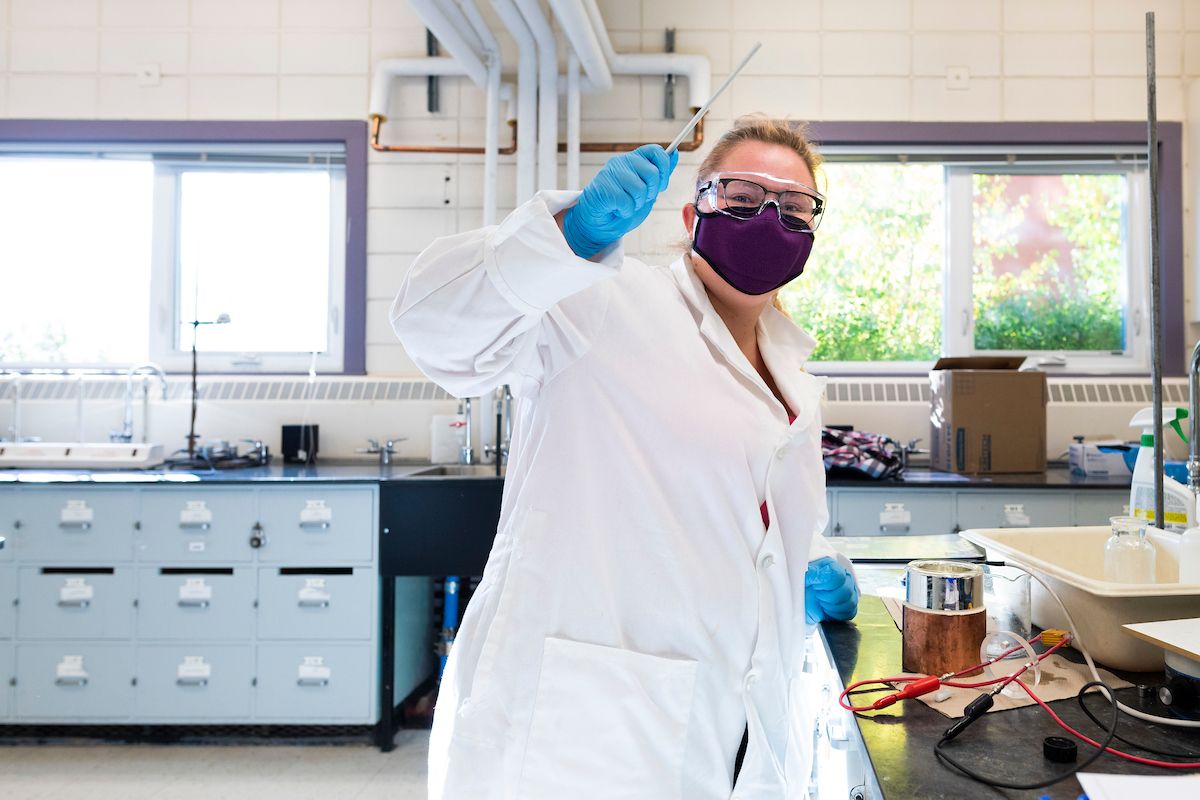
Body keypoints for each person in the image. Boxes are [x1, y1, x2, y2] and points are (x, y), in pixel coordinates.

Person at [391, 114, 859, 800]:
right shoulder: (602, 300)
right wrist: (570, 234)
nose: (768, 220)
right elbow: (432, 329)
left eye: (793, 207)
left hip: (733, 729)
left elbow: (747, 511)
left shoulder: (794, 375)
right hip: (583, 732)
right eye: (742, 198)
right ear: (692, 208)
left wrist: (817, 564)